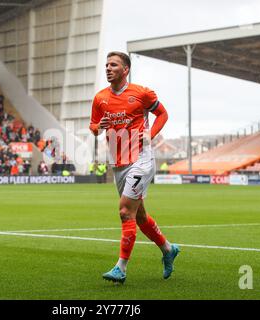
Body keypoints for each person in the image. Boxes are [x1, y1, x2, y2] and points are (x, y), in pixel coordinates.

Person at [89, 51, 180, 284]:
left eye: (114, 65)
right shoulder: (100, 98)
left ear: (125, 69)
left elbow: (163, 114)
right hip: (118, 163)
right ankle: (168, 249)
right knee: (139, 216)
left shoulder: (141, 93)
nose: (108, 68)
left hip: (141, 159)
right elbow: (93, 126)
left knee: (124, 211)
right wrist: (99, 126)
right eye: (107, 64)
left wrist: (150, 135)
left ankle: (121, 268)